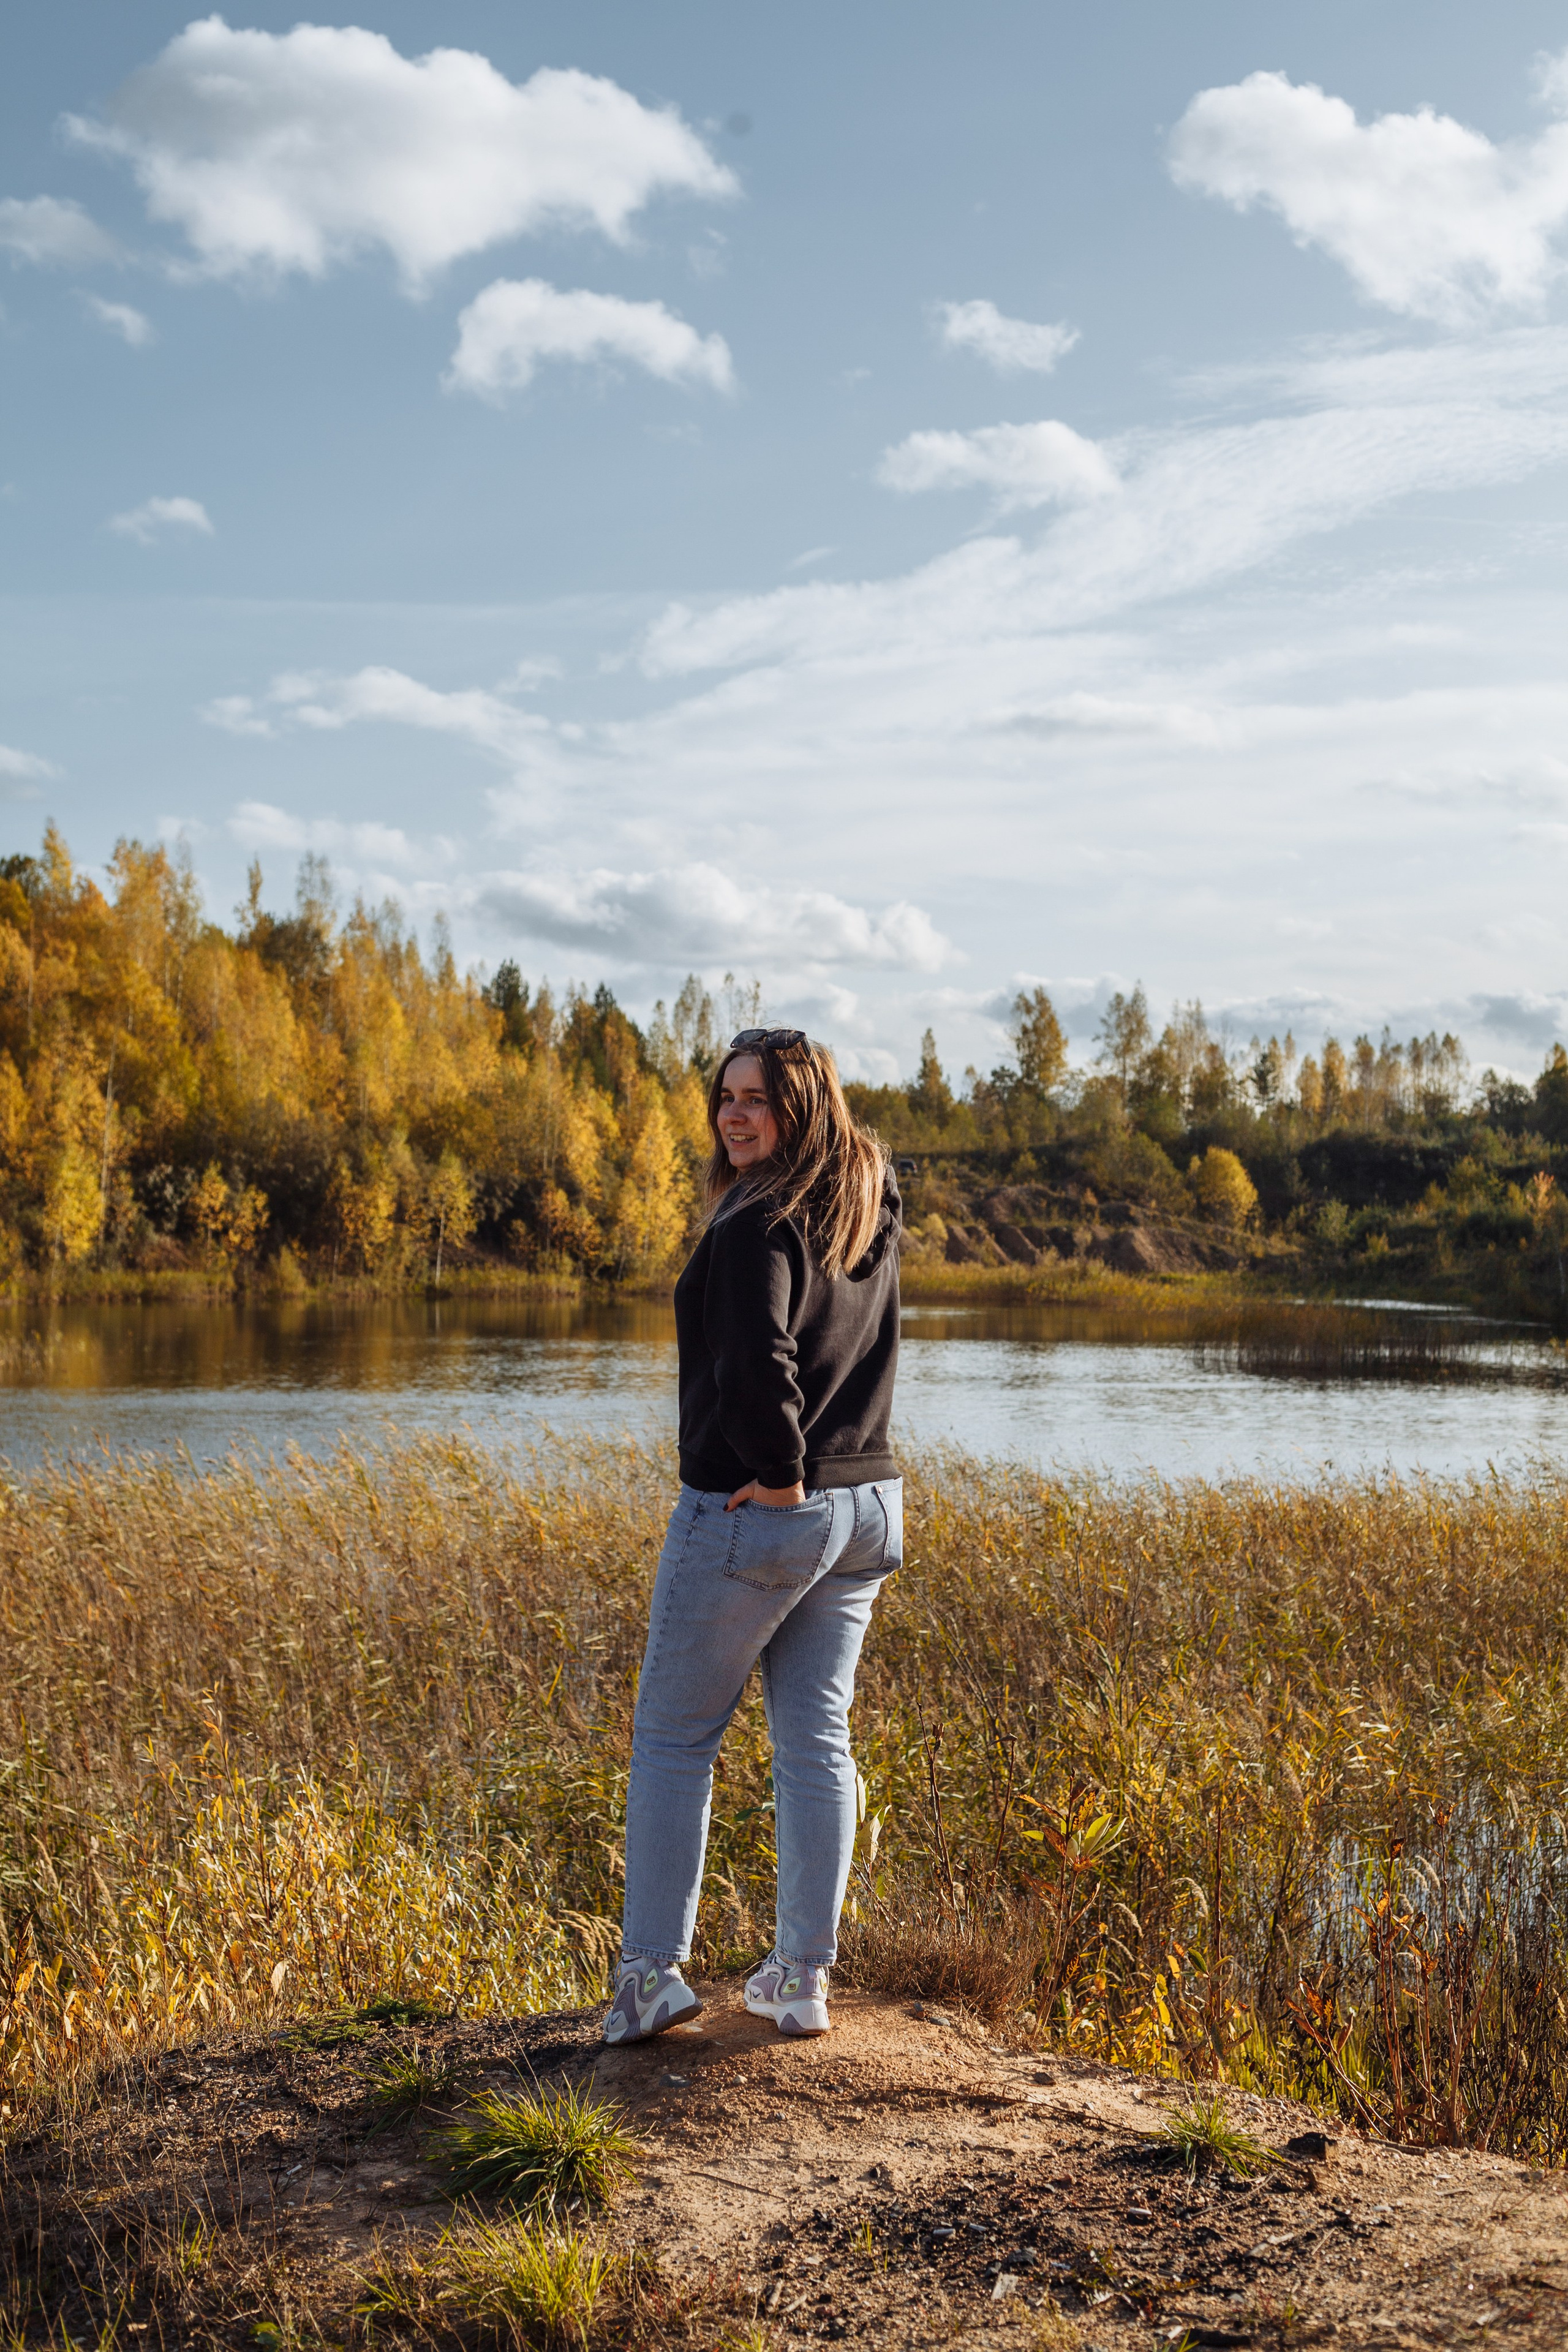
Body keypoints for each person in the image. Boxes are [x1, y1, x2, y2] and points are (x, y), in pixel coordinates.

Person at [604, 1027, 903, 2044]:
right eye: (725, 1096)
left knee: (674, 1740)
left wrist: (777, 1480)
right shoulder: (863, 1201)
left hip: (770, 1509)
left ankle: (649, 1978)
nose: (735, 1115)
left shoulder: (750, 1226)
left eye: (759, 1100)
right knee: (816, 1740)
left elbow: (755, 1365)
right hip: (867, 1507)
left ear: (803, 1105)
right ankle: (799, 1981)